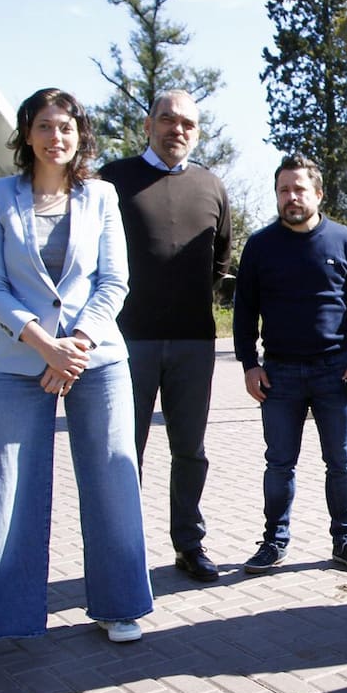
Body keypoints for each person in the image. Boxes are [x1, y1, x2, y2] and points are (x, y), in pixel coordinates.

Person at [0, 88, 152, 675]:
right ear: (26, 135)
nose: (55, 137)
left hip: (97, 360)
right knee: (2, 486)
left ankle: (119, 605)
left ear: (80, 135)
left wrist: (75, 347)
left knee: (112, 477)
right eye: (43, 126)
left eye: (65, 127)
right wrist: (44, 346)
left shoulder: (102, 196)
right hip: (19, 362)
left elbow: (115, 281)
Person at [99, 90, 232, 583]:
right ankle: (121, 548)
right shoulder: (113, 180)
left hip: (194, 344)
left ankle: (189, 544)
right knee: (123, 451)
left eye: (189, 124)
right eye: (168, 120)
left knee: (190, 450)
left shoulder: (212, 186)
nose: (178, 129)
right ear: (149, 124)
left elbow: (219, 261)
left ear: (197, 133)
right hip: (126, 342)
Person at [233, 155, 347, 575]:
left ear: (318, 193)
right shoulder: (260, 245)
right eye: (283, 190)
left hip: (335, 371)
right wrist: (248, 364)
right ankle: (273, 541)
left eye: (299, 189)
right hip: (279, 374)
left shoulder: (345, 241)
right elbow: (244, 312)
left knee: (341, 463)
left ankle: (345, 540)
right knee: (279, 463)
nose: (291, 197)